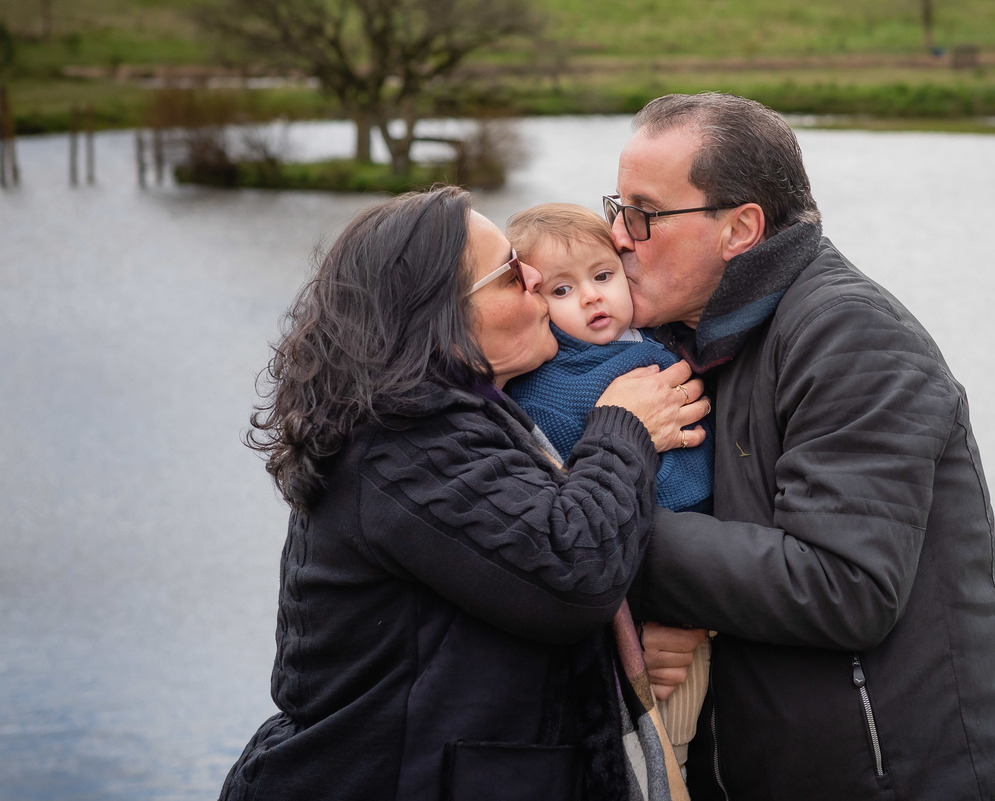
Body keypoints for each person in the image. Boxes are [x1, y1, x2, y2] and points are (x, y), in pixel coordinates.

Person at [218, 185, 710, 801]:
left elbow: (507, 580)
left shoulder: (457, 417)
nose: (536, 276)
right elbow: (571, 571)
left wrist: (637, 634)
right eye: (511, 271)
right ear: (443, 324)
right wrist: (624, 426)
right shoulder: (405, 445)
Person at [611, 93, 995, 801]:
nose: (618, 235)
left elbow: (844, 585)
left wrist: (601, 535)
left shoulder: (852, 335)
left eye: (644, 213)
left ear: (740, 229)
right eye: (616, 207)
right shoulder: (683, 342)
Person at [504, 202, 715, 766]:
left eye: (603, 276)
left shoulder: (654, 338)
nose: (591, 298)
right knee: (664, 741)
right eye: (562, 290)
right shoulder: (547, 388)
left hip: (707, 566)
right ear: (533, 301)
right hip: (642, 583)